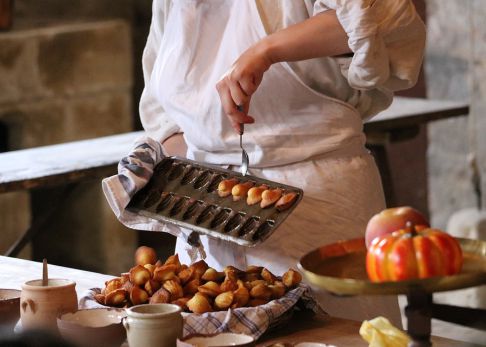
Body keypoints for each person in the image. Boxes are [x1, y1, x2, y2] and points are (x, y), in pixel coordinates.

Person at [136, 0, 426, 326]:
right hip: (210, 220)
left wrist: (268, 50)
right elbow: (164, 115)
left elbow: (385, 19)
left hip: (317, 210)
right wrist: (182, 180)